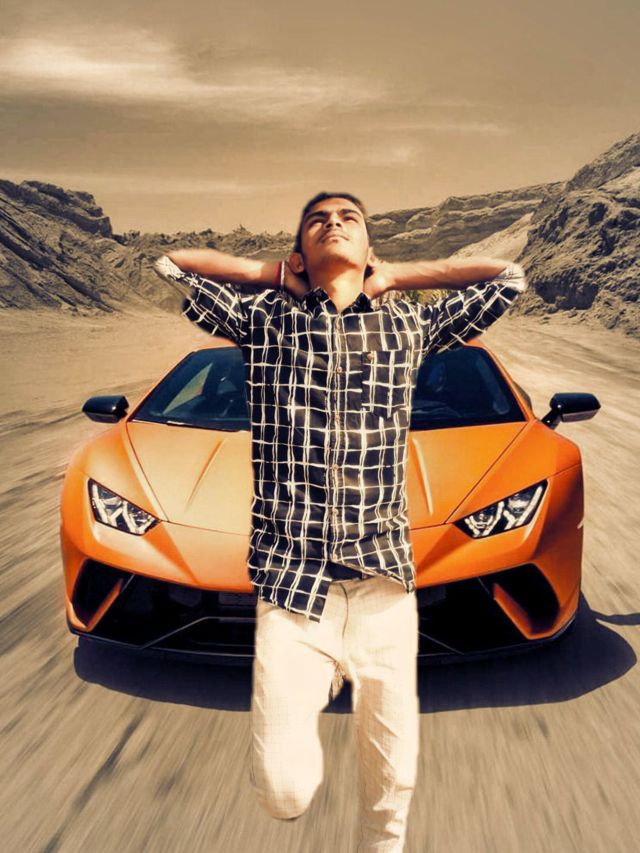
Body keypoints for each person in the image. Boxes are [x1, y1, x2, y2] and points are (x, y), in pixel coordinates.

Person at [154, 192, 528, 852]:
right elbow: (171, 265)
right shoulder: (265, 322)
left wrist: (397, 275)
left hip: (383, 585)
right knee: (284, 792)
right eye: (318, 220)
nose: (334, 223)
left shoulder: (408, 326)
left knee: (391, 786)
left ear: (369, 249)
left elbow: (510, 277)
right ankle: (319, 673)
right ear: (300, 252)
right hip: (294, 588)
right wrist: (274, 275)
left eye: (349, 218)